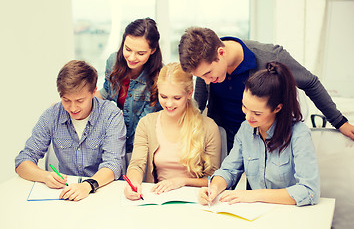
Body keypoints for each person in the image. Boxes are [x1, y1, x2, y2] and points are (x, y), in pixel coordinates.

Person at [178, 27, 354, 153]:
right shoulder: (206, 68)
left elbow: (311, 83)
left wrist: (340, 122)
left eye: (208, 73)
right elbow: (200, 102)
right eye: (201, 77)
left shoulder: (271, 57)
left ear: (221, 53)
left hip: (266, 143)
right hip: (227, 140)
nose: (208, 80)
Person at [198, 61, 320, 206]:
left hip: (289, 215)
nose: (248, 117)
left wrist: (255, 195)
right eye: (244, 106)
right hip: (255, 215)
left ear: (277, 108)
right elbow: (229, 170)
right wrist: (213, 188)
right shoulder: (245, 129)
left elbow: (309, 191)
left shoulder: (299, 135)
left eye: (257, 113)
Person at [15, 60, 126, 201]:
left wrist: (87, 186)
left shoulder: (111, 115)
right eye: (66, 100)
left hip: (103, 192)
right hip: (67, 194)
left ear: (93, 92)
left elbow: (113, 165)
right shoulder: (52, 115)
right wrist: (45, 176)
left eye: (80, 101)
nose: (73, 108)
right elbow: (23, 161)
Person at [124, 62, 221, 200]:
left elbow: (214, 179)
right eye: (163, 97)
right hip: (158, 199)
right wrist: (132, 183)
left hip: (195, 200)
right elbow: (137, 165)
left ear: (189, 93)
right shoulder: (147, 124)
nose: (169, 104)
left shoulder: (209, 127)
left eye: (176, 98)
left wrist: (182, 182)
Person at [95, 18, 163, 162]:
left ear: (153, 50)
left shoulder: (160, 75)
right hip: (113, 139)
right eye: (128, 49)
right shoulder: (113, 62)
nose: (131, 57)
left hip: (141, 145)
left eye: (140, 53)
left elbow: (147, 124)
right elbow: (106, 93)